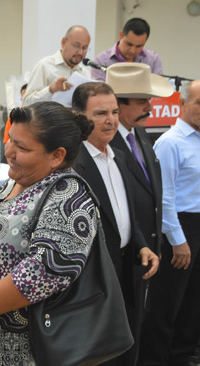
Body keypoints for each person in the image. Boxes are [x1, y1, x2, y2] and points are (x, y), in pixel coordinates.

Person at [0, 101, 98, 365]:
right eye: (10, 139)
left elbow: (46, 269)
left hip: (18, 351)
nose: (8, 151)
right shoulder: (17, 181)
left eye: (21, 147)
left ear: (57, 156)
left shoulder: (68, 195)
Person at [72, 82, 159, 366]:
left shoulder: (119, 157)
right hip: (94, 281)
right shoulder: (73, 165)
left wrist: (142, 245)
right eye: (100, 113)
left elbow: (124, 214)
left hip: (128, 272)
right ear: (79, 116)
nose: (110, 120)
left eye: (113, 111)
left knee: (127, 351)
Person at [138, 80, 200, 366]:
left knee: (193, 303)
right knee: (166, 305)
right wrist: (178, 241)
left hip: (197, 226)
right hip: (179, 229)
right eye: (198, 103)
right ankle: (156, 360)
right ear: (182, 104)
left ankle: (183, 356)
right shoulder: (170, 143)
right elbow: (165, 199)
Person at [107, 62, 172, 257]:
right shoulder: (107, 143)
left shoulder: (139, 133)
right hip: (126, 253)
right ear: (119, 104)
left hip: (148, 249)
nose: (150, 107)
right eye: (143, 101)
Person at [23, 25, 90, 106]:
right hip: (48, 118)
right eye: (76, 46)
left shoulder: (84, 73)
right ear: (64, 42)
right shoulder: (44, 66)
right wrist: (51, 89)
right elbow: (27, 102)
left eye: (85, 48)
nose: (80, 52)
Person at [92, 18, 163, 81]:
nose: (133, 50)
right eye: (129, 44)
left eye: (139, 46)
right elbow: (99, 93)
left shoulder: (153, 59)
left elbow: (159, 89)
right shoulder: (100, 61)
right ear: (120, 35)